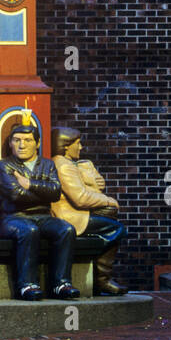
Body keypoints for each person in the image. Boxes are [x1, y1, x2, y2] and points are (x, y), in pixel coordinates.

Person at [0, 122, 79, 300]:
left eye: (27, 140)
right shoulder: (4, 166)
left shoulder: (47, 165)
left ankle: (61, 283)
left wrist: (30, 184)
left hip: (43, 216)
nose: (22, 145)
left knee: (66, 230)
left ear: (37, 143)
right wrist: (42, 192)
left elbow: (55, 192)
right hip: (14, 217)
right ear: (10, 143)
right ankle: (27, 285)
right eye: (16, 140)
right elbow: (16, 196)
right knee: (29, 231)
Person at [50, 126, 127, 296]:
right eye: (77, 143)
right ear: (65, 146)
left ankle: (100, 276)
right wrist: (108, 200)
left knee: (111, 221)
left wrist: (91, 181)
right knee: (117, 229)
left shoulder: (72, 164)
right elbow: (80, 198)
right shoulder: (63, 165)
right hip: (71, 217)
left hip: (78, 213)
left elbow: (86, 188)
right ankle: (102, 279)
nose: (81, 147)